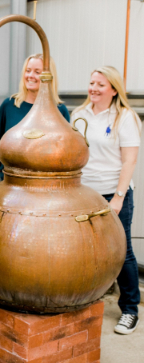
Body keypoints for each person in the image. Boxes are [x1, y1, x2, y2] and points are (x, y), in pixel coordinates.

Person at [72, 66, 141, 335]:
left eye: (100, 84)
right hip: (84, 194)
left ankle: (130, 310)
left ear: (113, 89)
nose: (94, 88)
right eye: (91, 83)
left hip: (114, 194)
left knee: (122, 253)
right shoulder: (78, 115)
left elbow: (130, 160)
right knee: (86, 251)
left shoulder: (125, 117)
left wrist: (119, 198)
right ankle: (88, 300)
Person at [0, 54, 70, 182]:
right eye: (28, 71)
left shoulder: (60, 110)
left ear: (48, 77)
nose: (30, 76)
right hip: (11, 181)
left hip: (44, 182)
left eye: (37, 72)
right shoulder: (9, 105)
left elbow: (64, 150)